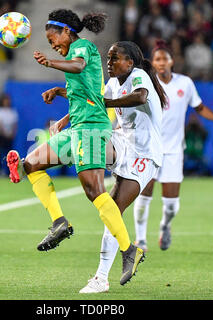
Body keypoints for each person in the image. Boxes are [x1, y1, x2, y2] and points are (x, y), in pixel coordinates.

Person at [6, 9, 142, 286]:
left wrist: (51, 63)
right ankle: (59, 223)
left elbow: (78, 67)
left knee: (94, 191)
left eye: (53, 37)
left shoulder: (82, 47)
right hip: (77, 127)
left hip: (92, 128)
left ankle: (130, 250)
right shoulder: (72, 55)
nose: (52, 43)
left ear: (66, 31)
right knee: (32, 163)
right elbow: (87, 89)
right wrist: (60, 93)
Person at [77, 41, 166, 293]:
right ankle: (61, 159)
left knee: (113, 211)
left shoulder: (138, 77)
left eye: (115, 58)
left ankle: (101, 278)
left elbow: (140, 97)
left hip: (145, 153)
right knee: (88, 136)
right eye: (108, 57)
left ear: (130, 62)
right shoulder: (114, 83)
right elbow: (97, 104)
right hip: (123, 142)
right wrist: (66, 118)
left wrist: (104, 103)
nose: (109, 62)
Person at [132, 40, 213, 253]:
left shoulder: (185, 84)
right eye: (157, 59)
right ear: (152, 63)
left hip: (173, 151)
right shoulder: (146, 83)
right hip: (147, 149)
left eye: (165, 58)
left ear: (172, 61)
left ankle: (165, 225)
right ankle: (140, 239)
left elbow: (199, 107)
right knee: (144, 197)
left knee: (171, 206)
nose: (161, 62)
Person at [0, 93, 18, 176]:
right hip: (1, 136)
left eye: (8, 100)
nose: (7, 102)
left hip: (10, 136)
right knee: (0, 153)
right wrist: (4, 133)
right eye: (5, 100)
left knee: (10, 155)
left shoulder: (12, 112)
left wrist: (12, 134)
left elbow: (14, 125)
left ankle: (9, 172)